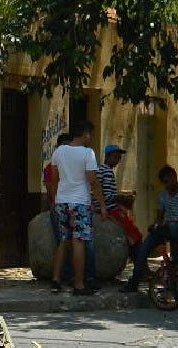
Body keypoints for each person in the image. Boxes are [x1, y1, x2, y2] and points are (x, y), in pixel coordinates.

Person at [49, 121, 107, 295]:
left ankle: (56, 280)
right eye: (90, 135)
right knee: (79, 242)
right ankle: (79, 284)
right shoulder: (88, 153)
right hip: (80, 202)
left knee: (63, 241)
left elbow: (53, 179)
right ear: (86, 134)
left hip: (62, 201)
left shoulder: (59, 151)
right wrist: (102, 205)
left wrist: (55, 200)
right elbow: (93, 181)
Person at [121, 165, 178, 292]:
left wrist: (173, 221)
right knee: (144, 247)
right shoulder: (162, 196)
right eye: (164, 183)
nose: (167, 185)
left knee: (173, 229)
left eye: (169, 181)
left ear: (174, 177)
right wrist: (155, 225)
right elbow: (159, 217)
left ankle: (176, 265)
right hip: (167, 227)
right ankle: (134, 282)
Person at [96, 145, 143, 259]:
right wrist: (124, 199)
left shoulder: (100, 169)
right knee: (136, 235)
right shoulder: (107, 171)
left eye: (119, 157)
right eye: (116, 157)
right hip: (110, 210)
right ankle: (140, 269)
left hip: (102, 207)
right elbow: (108, 196)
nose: (118, 160)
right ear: (108, 156)